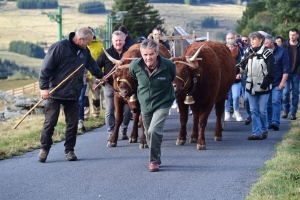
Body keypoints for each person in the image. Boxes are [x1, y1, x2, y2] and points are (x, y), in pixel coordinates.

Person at [38, 27, 104, 162]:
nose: (89, 45)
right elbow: (46, 68)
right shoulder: (59, 47)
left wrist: (102, 76)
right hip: (55, 92)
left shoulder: (84, 51)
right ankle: (44, 149)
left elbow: (92, 65)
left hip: (74, 92)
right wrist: (44, 88)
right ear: (80, 39)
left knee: (72, 124)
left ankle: (69, 150)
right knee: (50, 123)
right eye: (88, 42)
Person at [129, 39, 175, 172]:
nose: (148, 58)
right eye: (145, 55)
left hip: (163, 103)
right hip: (145, 104)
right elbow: (133, 75)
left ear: (156, 53)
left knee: (154, 131)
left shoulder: (168, 65)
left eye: (151, 54)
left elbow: (172, 77)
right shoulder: (135, 65)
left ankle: (153, 161)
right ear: (141, 55)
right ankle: (157, 154)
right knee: (149, 136)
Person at [237, 31, 275, 140]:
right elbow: (243, 67)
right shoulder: (248, 52)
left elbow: (271, 72)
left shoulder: (268, 53)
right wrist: (235, 70)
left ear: (261, 40)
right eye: (251, 39)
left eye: (254, 39)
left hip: (263, 87)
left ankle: (264, 129)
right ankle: (256, 133)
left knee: (262, 111)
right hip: (251, 87)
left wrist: (264, 84)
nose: (252, 41)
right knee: (254, 111)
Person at [97, 30, 131, 140]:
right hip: (110, 86)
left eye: (120, 40)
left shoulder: (129, 54)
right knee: (110, 110)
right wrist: (100, 77)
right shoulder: (106, 53)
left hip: (125, 87)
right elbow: (96, 66)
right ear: (112, 41)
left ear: (124, 40)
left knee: (126, 110)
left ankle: (123, 130)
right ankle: (111, 132)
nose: (118, 43)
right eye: (116, 40)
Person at [78, 27, 104, 131]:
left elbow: (100, 62)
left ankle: (96, 113)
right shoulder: (82, 46)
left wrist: (100, 76)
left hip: (95, 75)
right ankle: (85, 115)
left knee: (96, 96)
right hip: (85, 75)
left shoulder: (99, 45)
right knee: (83, 97)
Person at [264, 34, 290, 131]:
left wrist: (283, 82)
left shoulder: (282, 52)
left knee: (276, 101)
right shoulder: (263, 52)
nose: (265, 45)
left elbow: (286, 68)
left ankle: (275, 122)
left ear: (272, 42)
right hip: (266, 82)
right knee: (267, 103)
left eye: (266, 43)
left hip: (277, 82)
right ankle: (269, 122)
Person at [281, 28, 300, 120]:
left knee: (295, 94)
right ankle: (286, 109)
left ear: (297, 35)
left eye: (293, 35)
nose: (292, 37)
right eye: (290, 35)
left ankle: (293, 112)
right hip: (286, 73)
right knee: (285, 93)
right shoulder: (284, 46)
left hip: (296, 73)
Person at [224, 39, 243, 122]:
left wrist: (240, 73)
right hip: (226, 80)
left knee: (236, 96)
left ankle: (236, 111)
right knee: (227, 97)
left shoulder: (239, 55)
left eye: (232, 47)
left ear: (235, 47)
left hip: (236, 80)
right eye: (228, 47)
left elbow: (242, 65)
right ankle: (226, 112)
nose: (230, 48)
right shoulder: (224, 56)